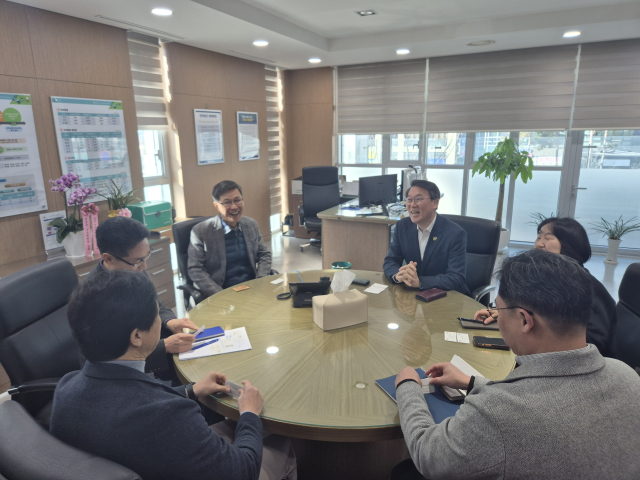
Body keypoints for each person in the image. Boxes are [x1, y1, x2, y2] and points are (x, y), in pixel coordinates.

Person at [393, 249, 640, 480]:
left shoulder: (497, 413)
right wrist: (472, 382)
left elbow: (428, 454)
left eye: (498, 308)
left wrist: (408, 386)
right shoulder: (628, 377)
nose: (496, 316)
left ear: (524, 320)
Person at [51, 270, 297, 480]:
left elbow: (134, 403)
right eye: (157, 314)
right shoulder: (168, 417)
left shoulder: (66, 389)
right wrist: (250, 414)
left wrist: (190, 390)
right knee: (282, 440)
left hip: (145, 458)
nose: (161, 321)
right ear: (136, 336)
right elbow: (243, 471)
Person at [473, 217, 616, 356]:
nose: (539, 244)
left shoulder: (585, 286)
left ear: (570, 244)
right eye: (538, 237)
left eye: (547, 238)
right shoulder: (548, 280)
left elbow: (595, 340)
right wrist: (509, 315)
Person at [92, 216, 198, 376]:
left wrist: (169, 321)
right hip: (127, 376)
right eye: (138, 260)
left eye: (146, 256)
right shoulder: (95, 297)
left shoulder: (133, 269)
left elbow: (157, 304)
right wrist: (164, 346)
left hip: (155, 348)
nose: (144, 266)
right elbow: (108, 360)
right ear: (108, 259)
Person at [383, 180, 470, 295]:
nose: (412, 205)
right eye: (409, 199)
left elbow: (456, 277)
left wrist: (420, 282)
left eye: (418, 199)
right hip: (413, 295)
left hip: (446, 297)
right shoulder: (402, 226)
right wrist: (397, 275)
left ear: (435, 203)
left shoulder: (455, 234)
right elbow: (391, 260)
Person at [188, 180, 272, 299]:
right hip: (221, 292)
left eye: (237, 200)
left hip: (252, 288)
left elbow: (264, 254)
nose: (234, 207)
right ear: (216, 206)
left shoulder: (251, 224)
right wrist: (220, 294)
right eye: (227, 202)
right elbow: (195, 269)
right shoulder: (201, 231)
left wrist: (261, 280)